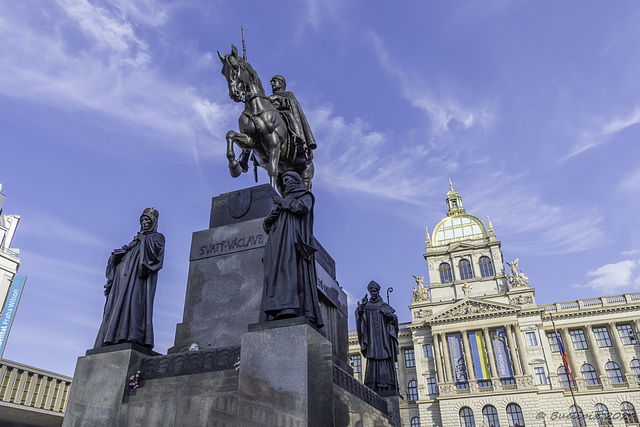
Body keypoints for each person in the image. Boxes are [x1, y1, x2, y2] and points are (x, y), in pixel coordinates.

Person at [94, 208, 165, 349]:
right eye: (143, 220)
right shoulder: (134, 241)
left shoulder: (157, 237)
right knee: (118, 306)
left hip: (138, 279)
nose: (144, 223)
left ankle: (132, 335)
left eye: (147, 220)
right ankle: (113, 336)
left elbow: (155, 257)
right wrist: (116, 258)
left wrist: (143, 239)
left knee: (134, 305)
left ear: (153, 222)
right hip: (123, 281)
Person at [262, 171, 323, 327]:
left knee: (291, 273)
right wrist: (270, 218)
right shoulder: (280, 201)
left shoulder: (305, 195)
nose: (286, 182)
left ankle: (292, 309)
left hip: (292, 241)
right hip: (276, 243)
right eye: (284, 180)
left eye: (289, 179)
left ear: (296, 181)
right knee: (276, 276)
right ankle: (277, 310)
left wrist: (284, 203)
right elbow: (267, 225)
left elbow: (302, 208)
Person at [355, 281, 399, 395]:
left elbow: (394, 319)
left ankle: (388, 385)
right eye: (371, 292)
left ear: (378, 292)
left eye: (374, 291)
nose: (373, 293)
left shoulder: (384, 305)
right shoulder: (367, 306)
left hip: (384, 339)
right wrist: (362, 306)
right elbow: (359, 316)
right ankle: (372, 385)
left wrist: (391, 317)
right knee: (373, 359)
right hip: (372, 339)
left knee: (385, 358)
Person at [268, 75, 317, 162]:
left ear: (280, 84)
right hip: (272, 117)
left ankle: (300, 140)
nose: (271, 83)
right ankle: (246, 156)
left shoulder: (288, 94)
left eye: (274, 81)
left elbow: (290, 105)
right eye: (272, 81)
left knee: (290, 115)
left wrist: (278, 98)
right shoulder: (269, 97)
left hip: (284, 114)